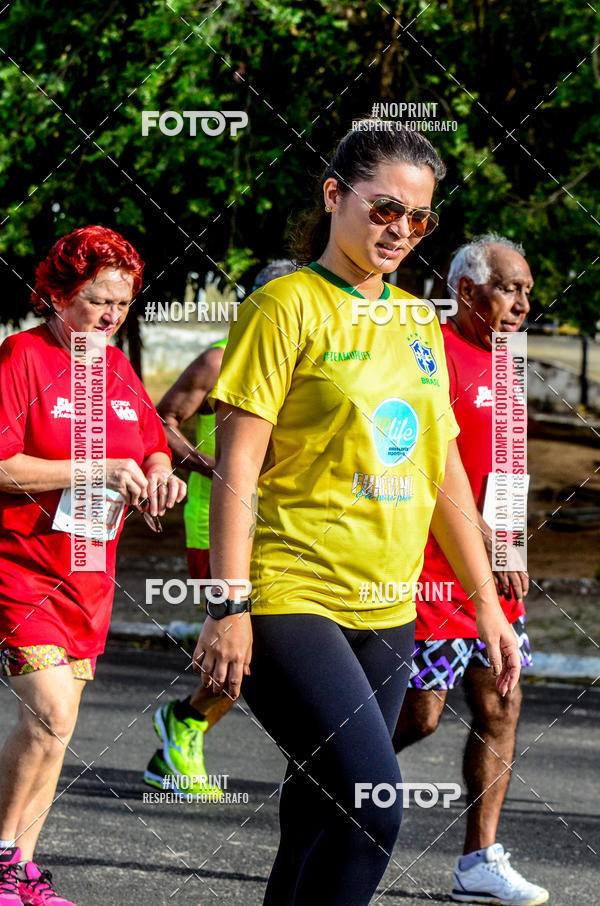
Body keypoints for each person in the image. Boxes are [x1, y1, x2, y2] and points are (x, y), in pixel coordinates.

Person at [192, 122, 521, 906]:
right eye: (385, 209)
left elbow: (442, 471)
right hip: (292, 593)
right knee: (374, 805)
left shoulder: (417, 322)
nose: (401, 229)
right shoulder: (284, 306)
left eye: (419, 218)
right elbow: (238, 466)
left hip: (390, 609)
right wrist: (228, 605)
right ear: (334, 195)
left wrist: (486, 603)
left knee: (319, 813)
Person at [0, 226, 186, 906]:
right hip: (22, 565)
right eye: (97, 301)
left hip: (89, 572)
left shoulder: (116, 367)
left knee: (60, 729)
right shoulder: (22, 357)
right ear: (57, 294)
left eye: (122, 304)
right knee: (49, 713)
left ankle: (22, 868)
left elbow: (152, 443)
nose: (110, 317)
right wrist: (96, 467)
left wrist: (161, 475)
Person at [393, 234, 548, 905]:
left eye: (528, 293)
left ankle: (478, 861)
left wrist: (509, 546)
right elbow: (412, 460)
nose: (522, 304)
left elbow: (508, 471)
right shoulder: (427, 355)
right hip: (431, 572)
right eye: (509, 289)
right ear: (466, 290)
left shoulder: (508, 364)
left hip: (493, 575)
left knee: (501, 704)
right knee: (420, 717)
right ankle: (327, 779)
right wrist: (480, 538)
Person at [143, 259, 296, 796]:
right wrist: (211, 464)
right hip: (218, 528)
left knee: (268, 651)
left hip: (284, 530)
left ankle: (181, 732)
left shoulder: (307, 361)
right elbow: (160, 422)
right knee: (244, 647)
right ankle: (185, 721)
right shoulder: (218, 359)